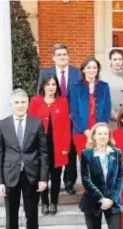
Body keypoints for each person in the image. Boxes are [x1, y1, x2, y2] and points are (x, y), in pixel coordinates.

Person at [0, 88, 49, 229]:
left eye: (23, 102)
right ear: (11, 105)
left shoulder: (36, 123)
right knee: (11, 214)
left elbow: (43, 152)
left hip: (31, 175)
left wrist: (43, 178)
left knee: (31, 213)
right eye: (16, 102)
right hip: (10, 176)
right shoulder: (3, 125)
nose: (20, 106)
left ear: (28, 104)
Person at [79, 122, 123, 229]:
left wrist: (111, 199)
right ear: (93, 136)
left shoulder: (117, 153)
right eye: (99, 134)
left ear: (109, 136)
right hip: (93, 201)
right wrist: (101, 198)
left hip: (113, 202)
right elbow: (86, 179)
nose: (103, 136)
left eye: (106, 133)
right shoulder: (86, 154)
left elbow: (120, 177)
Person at [37, 43, 81, 195]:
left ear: (68, 56)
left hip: (72, 119)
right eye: (59, 55)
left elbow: (80, 96)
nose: (62, 57)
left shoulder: (77, 73)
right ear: (53, 57)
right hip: (52, 120)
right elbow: (40, 94)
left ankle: (69, 182)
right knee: (51, 149)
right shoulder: (45, 73)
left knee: (70, 151)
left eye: (65, 54)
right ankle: (51, 179)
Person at [29, 74, 71, 216]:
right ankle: (44, 202)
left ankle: (54, 202)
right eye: (48, 84)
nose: (51, 87)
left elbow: (66, 125)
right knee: (42, 175)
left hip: (57, 145)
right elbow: (30, 124)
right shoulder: (35, 101)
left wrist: (66, 147)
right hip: (40, 145)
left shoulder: (63, 102)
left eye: (54, 84)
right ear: (43, 86)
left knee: (56, 175)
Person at [70, 56, 112, 156]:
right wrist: (85, 130)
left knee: (99, 163)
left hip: (99, 131)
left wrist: (99, 129)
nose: (92, 70)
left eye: (94, 67)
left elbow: (107, 110)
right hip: (81, 131)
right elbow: (74, 111)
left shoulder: (104, 86)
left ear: (98, 70)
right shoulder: (76, 86)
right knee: (86, 163)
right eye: (88, 67)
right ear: (83, 70)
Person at [101, 49, 123, 129]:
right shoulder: (103, 76)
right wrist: (114, 115)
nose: (117, 62)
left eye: (120, 59)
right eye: (115, 59)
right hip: (110, 117)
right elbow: (103, 98)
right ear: (110, 61)